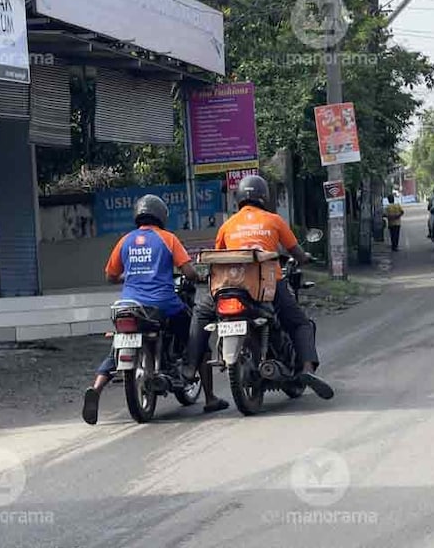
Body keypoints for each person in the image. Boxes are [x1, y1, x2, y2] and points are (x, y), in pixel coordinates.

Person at [185, 175, 335, 411]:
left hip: (229, 289)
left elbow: (220, 256)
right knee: (300, 324)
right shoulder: (274, 220)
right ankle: (306, 369)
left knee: (201, 314)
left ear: (239, 199)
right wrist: (304, 258)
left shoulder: (228, 224)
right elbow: (296, 252)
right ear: (264, 197)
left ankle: (189, 367)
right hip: (267, 287)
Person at [82, 195, 198, 425]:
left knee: (117, 345)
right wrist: (197, 275)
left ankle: (96, 388)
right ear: (161, 215)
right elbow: (189, 272)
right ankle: (186, 364)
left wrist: (131, 275)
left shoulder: (125, 240)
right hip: (162, 303)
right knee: (189, 326)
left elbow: (110, 276)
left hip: (129, 305)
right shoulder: (168, 238)